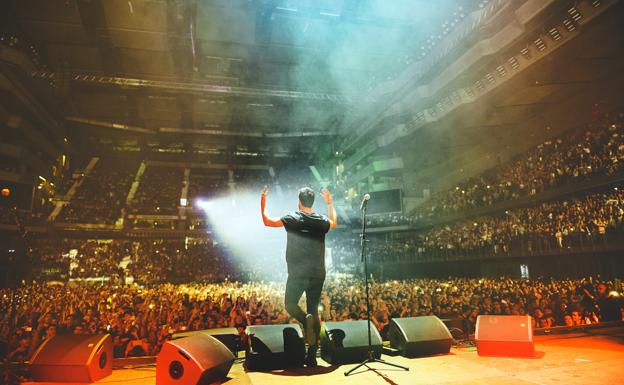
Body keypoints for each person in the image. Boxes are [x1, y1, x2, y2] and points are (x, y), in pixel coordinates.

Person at [260, 186, 337, 367]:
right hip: (318, 273)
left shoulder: (292, 218)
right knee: (313, 310)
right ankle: (311, 355)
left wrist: (262, 202)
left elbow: (267, 221)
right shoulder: (321, 220)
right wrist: (330, 203)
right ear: (312, 202)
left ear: (299, 201)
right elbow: (333, 222)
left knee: (290, 304)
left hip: (298, 273)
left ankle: (304, 320)